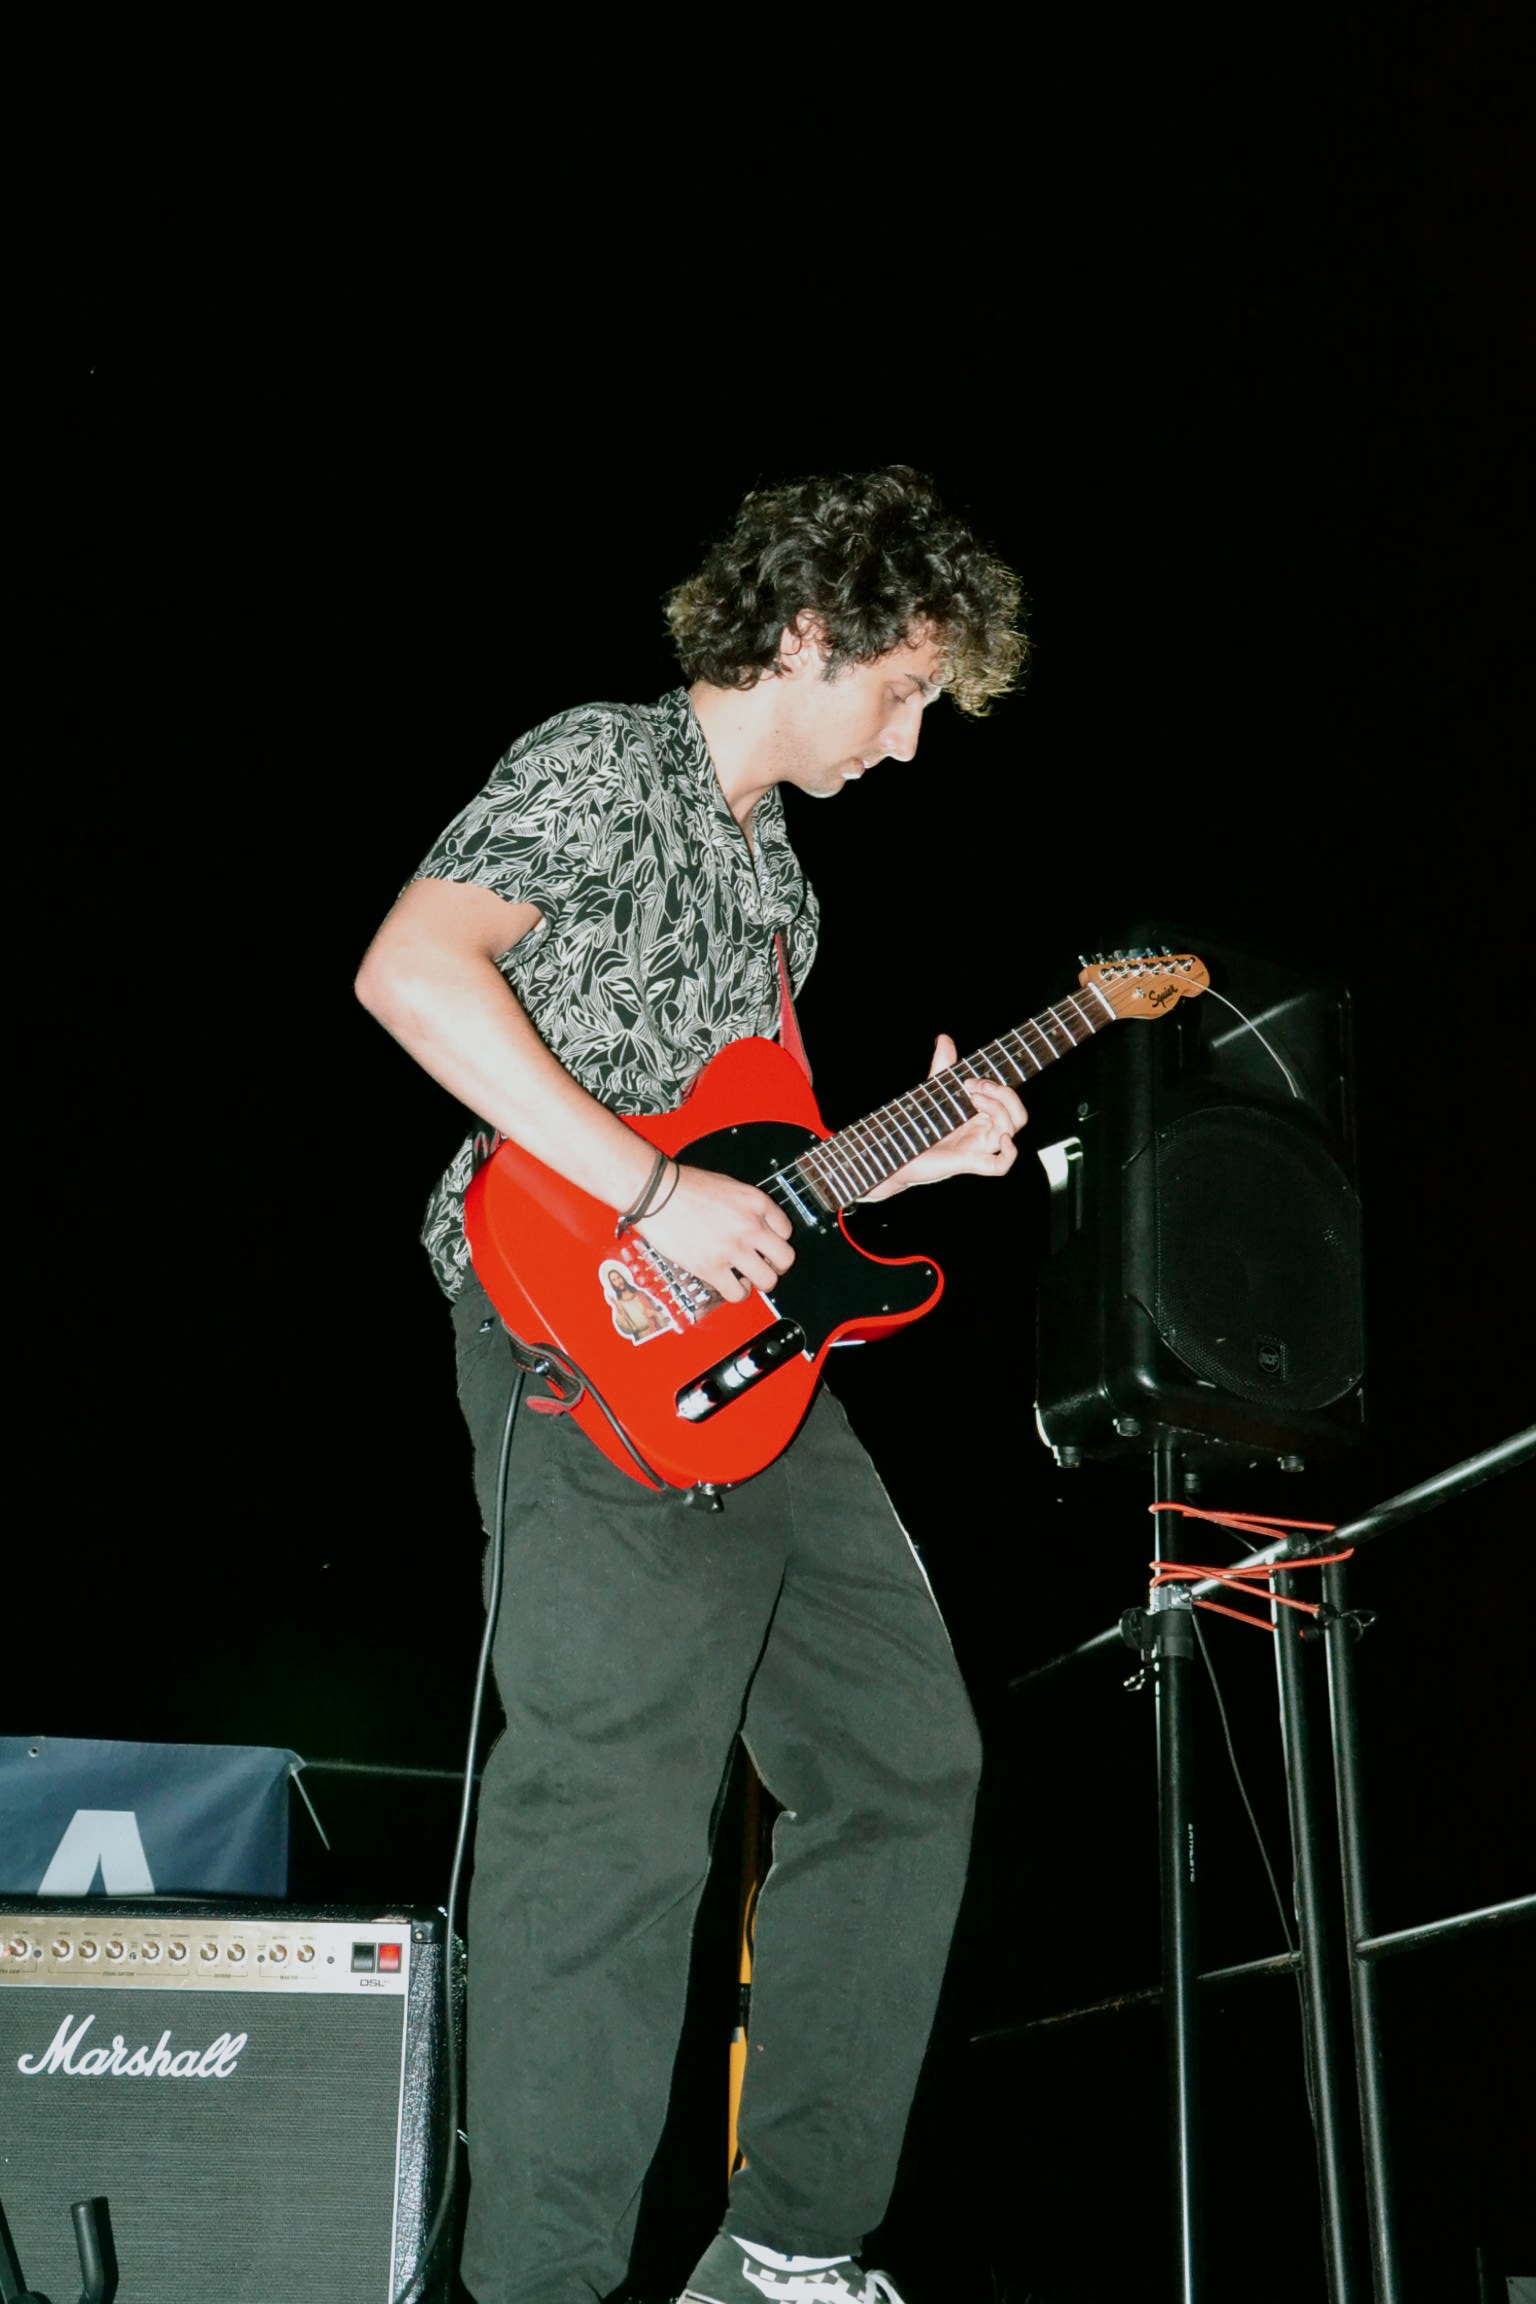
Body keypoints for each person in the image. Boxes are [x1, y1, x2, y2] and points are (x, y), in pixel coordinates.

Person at [355, 467, 1029, 2304]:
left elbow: (762, 1177)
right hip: (573, 1337)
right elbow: (413, 972)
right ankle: (539, 2288)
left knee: (904, 1760)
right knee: (616, 1821)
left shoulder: (778, 880)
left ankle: (788, 2247)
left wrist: (910, 1159)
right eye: (902, 690)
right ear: (805, 634)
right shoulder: (603, 764)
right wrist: (649, 1192)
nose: (909, 741)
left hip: (755, 1368)